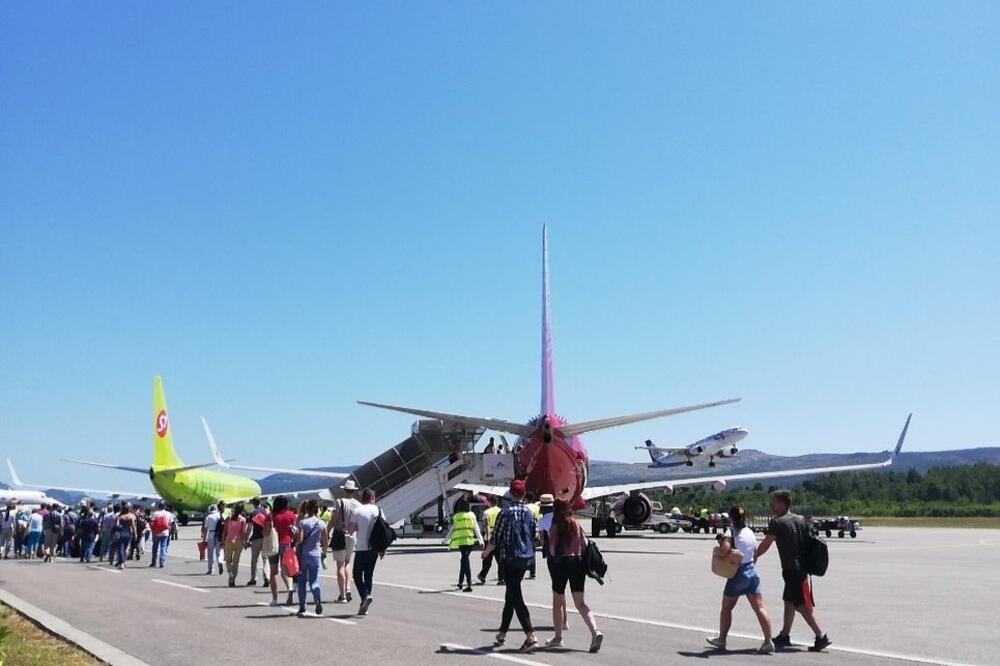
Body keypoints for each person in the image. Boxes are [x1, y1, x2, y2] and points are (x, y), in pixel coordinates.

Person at [755, 490, 831, 652]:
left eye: (774, 502)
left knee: (800, 604)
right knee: (789, 601)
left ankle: (820, 636)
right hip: (802, 568)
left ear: (782, 503)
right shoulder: (801, 520)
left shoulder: (777, 522)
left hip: (791, 570)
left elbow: (765, 544)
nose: (771, 505)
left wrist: (753, 556)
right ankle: (784, 635)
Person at [706, 506, 774, 654]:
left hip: (738, 573)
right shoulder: (750, 532)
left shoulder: (730, 531)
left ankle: (722, 639)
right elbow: (755, 553)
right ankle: (768, 641)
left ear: (731, 517)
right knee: (760, 608)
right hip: (752, 571)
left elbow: (724, 549)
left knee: (726, 608)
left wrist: (722, 545)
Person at [482, 479, 538, 652]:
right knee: (511, 596)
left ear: (511, 493)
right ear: (523, 494)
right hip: (524, 560)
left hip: (509, 560)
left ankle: (531, 636)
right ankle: (502, 632)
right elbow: (535, 537)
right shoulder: (529, 513)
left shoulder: (505, 513)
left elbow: (495, 538)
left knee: (516, 597)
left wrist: (486, 553)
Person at [544, 499, 603, 652]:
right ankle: (595, 631)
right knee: (580, 603)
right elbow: (584, 545)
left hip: (560, 564)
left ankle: (558, 637)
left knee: (557, 602)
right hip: (577, 563)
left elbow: (551, 549)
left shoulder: (555, 526)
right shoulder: (576, 524)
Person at [348, 488, 382, 616]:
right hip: (374, 548)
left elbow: (351, 530)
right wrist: (382, 549)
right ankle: (365, 604)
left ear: (363, 498)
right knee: (369, 575)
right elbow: (383, 529)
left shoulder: (357, 511)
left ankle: (364, 596)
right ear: (372, 498)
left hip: (361, 548)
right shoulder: (378, 510)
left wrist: (357, 527)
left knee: (357, 575)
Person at [536, 494, 567, 631]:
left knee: (557, 588)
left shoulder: (542, 521)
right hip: (565, 554)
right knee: (563, 588)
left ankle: (560, 622)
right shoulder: (561, 518)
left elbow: (542, 541)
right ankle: (565, 620)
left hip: (552, 556)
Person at [328, 480, 361, 603]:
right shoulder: (358, 504)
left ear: (344, 490)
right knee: (347, 562)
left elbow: (334, 519)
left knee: (340, 565)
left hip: (340, 534)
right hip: (352, 535)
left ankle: (342, 595)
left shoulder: (340, 502)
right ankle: (348, 588)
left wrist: (327, 530)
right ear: (353, 491)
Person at [295, 499, 329, 616]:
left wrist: (295, 544)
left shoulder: (303, 523)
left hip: (303, 554)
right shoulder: (322, 524)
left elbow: (299, 540)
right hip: (316, 554)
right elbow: (325, 541)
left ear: (308, 509)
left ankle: (302, 607)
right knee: (314, 581)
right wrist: (324, 553)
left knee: (302, 582)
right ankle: (317, 598)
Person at [444, 496, 484, 592]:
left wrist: (446, 540)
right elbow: (476, 528)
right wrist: (481, 540)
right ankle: (460, 582)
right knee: (464, 561)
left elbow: (452, 529)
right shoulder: (472, 515)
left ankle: (469, 584)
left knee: (465, 561)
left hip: (461, 542)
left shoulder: (457, 516)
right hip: (470, 541)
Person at [270, 495, 298, 606]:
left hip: (274, 544)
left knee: (273, 571)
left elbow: (267, 530)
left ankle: (274, 599)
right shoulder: (291, 515)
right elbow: (295, 530)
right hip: (287, 543)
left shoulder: (272, 515)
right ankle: (290, 587)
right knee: (286, 570)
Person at [477, 496, 504, 585]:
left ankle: (482, 576)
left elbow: (486, 526)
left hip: (490, 537)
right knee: (500, 559)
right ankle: (501, 578)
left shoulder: (486, 512)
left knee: (487, 559)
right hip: (500, 537)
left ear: (490, 502)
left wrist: (488, 539)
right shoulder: (501, 511)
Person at [223, 503, 248, 587]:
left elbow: (225, 531)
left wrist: (222, 541)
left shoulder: (229, 518)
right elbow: (243, 532)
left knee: (228, 560)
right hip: (238, 541)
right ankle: (233, 579)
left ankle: (230, 573)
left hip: (229, 540)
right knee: (236, 562)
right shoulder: (243, 520)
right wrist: (245, 541)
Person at [246, 498, 267, 586]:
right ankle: (266, 577)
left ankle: (253, 578)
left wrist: (247, 538)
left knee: (254, 559)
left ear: (254, 503)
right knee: (265, 559)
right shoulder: (265, 511)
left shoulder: (252, 513)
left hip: (256, 537)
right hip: (265, 537)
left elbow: (250, 527)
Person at [149, 502, 172, 568]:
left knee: (155, 548)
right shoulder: (168, 513)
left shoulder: (155, 513)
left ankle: (153, 562)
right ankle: (162, 562)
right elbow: (170, 523)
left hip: (156, 533)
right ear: (164, 507)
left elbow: (152, 522)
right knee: (163, 547)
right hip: (165, 533)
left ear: (158, 506)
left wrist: (153, 531)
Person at [114, 505, 136, 569]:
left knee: (121, 548)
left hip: (121, 533)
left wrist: (115, 533)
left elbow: (117, 526)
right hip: (128, 534)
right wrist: (135, 534)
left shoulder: (120, 517)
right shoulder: (130, 517)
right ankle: (122, 561)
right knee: (125, 548)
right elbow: (133, 526)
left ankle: (121, 562)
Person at [202, 504, 222, 575]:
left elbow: (205, 529)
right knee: (218, 552)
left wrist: (204, 539)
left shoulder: (209, 517)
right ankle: (220, 562)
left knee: (210, 553)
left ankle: (211, 569)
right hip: (219, 536)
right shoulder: (219, 515)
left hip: (211, 535)